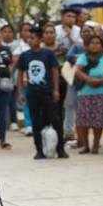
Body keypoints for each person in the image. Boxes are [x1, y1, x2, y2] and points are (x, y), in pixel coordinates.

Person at [17, 27, 67, 160]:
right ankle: (39, 149)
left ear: (40, 39)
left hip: (47, 92)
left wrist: (56, 89)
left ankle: (60, 148)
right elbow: (20, 73)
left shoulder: (48, 54)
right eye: (29, 38)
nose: (30, 40)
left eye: (33, 38)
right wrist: (20, 92)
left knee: (55, 119)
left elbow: (55, 71)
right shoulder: (25, 55)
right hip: (33, 93)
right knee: (36, 122)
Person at [74, 35, 103, 154]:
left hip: (101, 92)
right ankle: (85, 145)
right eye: (92, 43)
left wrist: (98, 81)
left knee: (98, 120)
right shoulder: (82, 57)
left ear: (101, 46)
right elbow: (78, 71)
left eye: (98, 43)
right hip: (85, 93)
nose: (95, 45)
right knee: (83, 121)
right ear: (88, 45)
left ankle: (96, 144)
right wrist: (88, 80)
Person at [12, 22, 33, 136]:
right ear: (21, 32)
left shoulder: (37, 44)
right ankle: (28, 125)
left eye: (30, 30)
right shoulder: (18, 47)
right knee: (25, 102)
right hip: (23, 79)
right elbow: (17, 64)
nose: (28, 33)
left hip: (36, 79)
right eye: (25, 30)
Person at [0, 24, 19, 131]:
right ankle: (2, 122)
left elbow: (15, 61)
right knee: (1, 102)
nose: (7, 34)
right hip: (0, 77)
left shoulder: (17, 44)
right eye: (5, 31)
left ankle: (13, 122)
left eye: (10, 31)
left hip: (14, 77)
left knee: (12, 100)